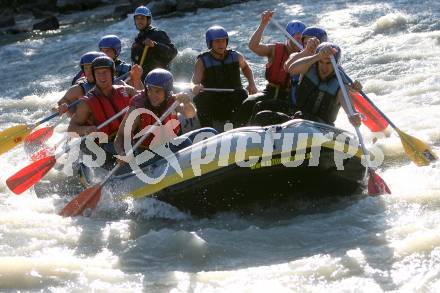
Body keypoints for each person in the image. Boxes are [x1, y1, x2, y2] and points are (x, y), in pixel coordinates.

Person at [114, 69, 208, 164]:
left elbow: (190, 114)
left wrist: (187, 103)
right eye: (149, 90)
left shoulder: (172, 101)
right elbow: (120, 136)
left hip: (170, 146)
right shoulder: (137, 107)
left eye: (157, 91)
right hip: (147, 154)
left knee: (208, 132)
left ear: (167, 92)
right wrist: (122, 153)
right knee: (184, 142)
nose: (152, 95)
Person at [236, 10, 305, 126]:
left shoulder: (306, 55)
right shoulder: (274, 49)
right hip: (270, 91)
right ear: (288, 37)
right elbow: (253, 46)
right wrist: (263, 24)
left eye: (300, 39)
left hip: (289, 96)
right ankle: (234, 130)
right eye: (295, 38)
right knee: (248, 103)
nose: (298, 41)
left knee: (261, 108)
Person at [280, 42, 361, 127]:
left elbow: (347, 104)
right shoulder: (309, 68)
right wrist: (318, 56)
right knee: (266, 114)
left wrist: (353, 115)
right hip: (295, 119)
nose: (324, 68)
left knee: (300, 117)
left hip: (323, 128)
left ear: (336, 64)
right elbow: (291, 69)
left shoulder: (341, 83)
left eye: (328, 63)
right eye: (321, 62)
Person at [192, 25, 258, 129]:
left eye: (223, 41)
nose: (221, 44)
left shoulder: (236, 56)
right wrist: (196, 86)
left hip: (233, 97)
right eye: (217, 41)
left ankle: (238, 126)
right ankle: (208, 131)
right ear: (210, 43)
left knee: (242, 94)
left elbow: (246, 68)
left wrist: (251, 83)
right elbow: (195, 81)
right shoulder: (202, 61)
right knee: (200, 98)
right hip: (214, 101)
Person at [67, 56, 140, 141]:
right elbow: (71, 129)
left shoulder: (126, 90)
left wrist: (137, 79)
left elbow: (144, 99)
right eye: (98, 73)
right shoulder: (87, 102)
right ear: (94, 75)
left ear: (112, 73)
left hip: (130, 138)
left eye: (105, 72)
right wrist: (85, 129)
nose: (102, 76)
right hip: (105, 144)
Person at [130, 6, 178, 80]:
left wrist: (155, 45)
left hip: (159, 78)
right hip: (143, 81)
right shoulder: (137, 41)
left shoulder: (158, 34)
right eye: (137, 18)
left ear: (148, 20)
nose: (139, 21)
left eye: (142, 18)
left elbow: (173, 52)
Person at [57, 51, 106, 115]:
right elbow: (57, 106)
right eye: (85, 68)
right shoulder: (77, 89)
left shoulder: (115, 82)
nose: (88, 72)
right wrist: (61, 107)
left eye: (91, 67)